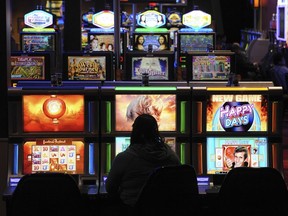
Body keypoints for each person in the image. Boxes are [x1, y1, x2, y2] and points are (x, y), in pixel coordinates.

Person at [105, 114, 181, 208]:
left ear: (135, 132)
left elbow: (110, 188)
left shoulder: (124, 158)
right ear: (156, 131)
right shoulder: (172, 156)